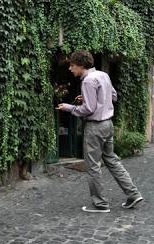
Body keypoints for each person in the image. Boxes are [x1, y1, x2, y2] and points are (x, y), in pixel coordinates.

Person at [57, 50, 143, 213]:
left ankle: (100, 204)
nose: (70, 69)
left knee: (93, 166)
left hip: (95, 127)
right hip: (108, 124)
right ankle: (133, 193)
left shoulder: (88, 81)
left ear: (81, 65)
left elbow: (88, 109)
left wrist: (69, 108)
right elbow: (113, 96)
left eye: (72, 65)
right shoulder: (103, 75)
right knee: (112, 160)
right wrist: (92, 98)